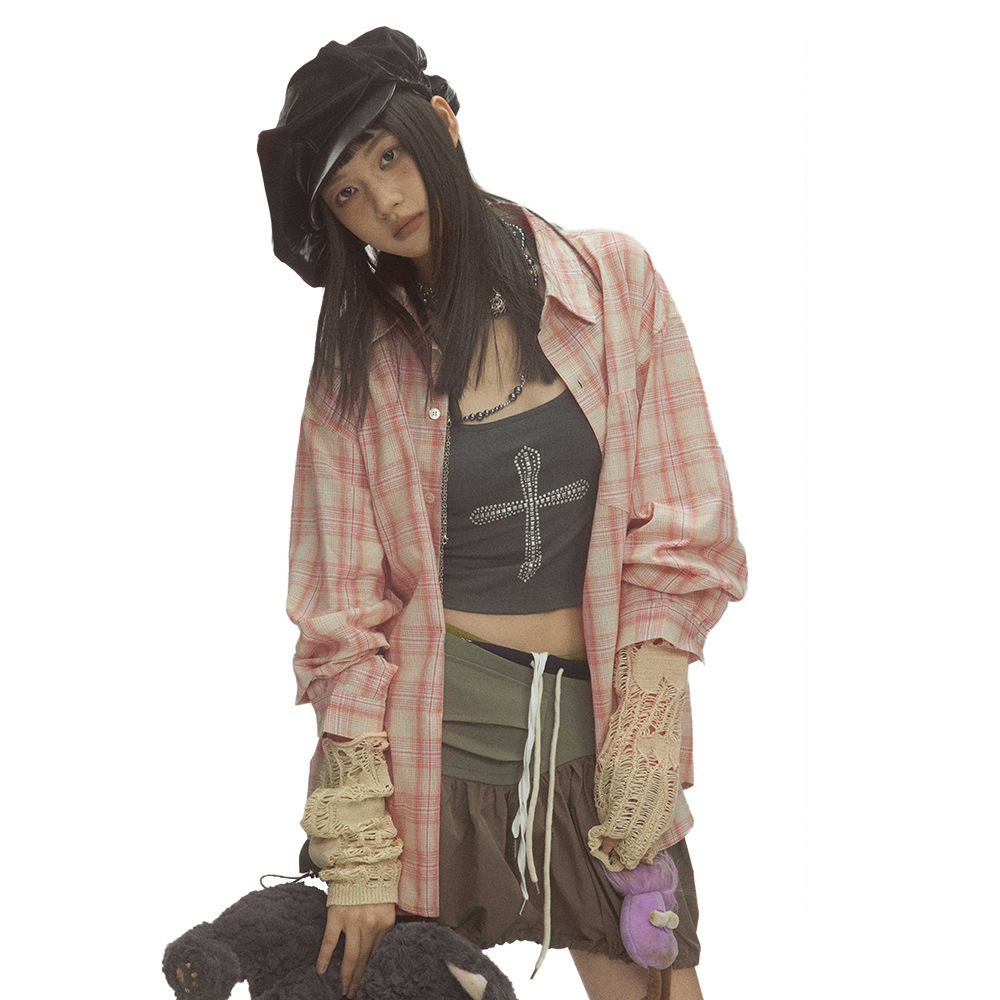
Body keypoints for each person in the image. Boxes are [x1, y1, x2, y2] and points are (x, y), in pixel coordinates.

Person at [257, 27, 747, 1000]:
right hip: (439, 749)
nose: (383, 201)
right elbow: (340, 612)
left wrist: (651, 710)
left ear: (441, 122)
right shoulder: (355, 371)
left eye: (388, 157)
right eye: (347, 192)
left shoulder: (613, 284)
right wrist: (357, 842)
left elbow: (685, 524)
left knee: (660, 986)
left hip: (600, 735)